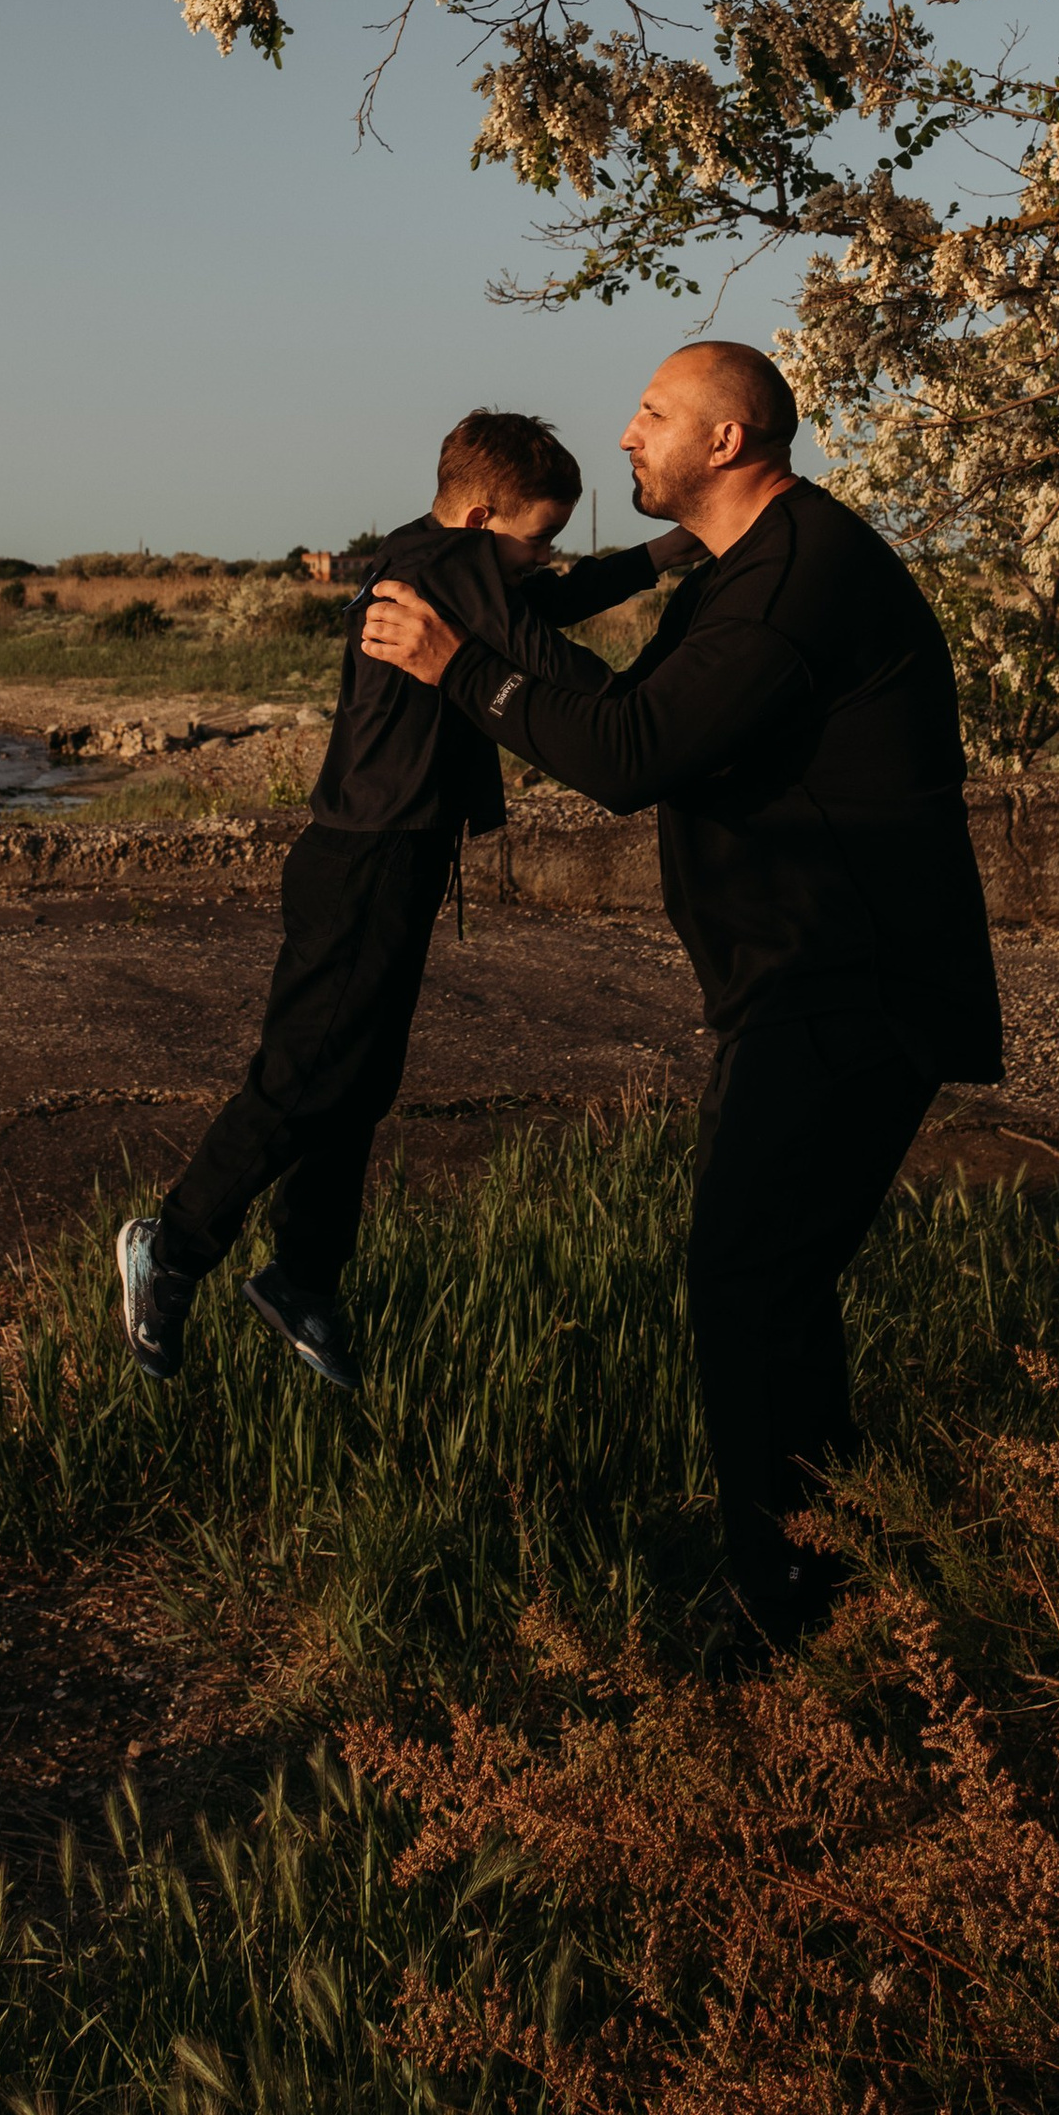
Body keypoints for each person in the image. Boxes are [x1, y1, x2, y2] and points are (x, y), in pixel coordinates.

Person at [360, 341, 1001, 1653]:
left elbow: (629, 753)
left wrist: (459, 669)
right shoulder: (742, 570)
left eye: (653, 412)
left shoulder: (797, 580)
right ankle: (827, 1573)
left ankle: (784, 1608)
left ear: (726, 439)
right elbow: (625, 707)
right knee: (771, 1283)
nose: (627, 432)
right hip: (802, 976)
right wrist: (500, 636)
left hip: (849, 975)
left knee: (746, 1279)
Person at [117, 409, 691, 1395]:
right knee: (302, 1081)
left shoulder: (444, 557)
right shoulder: (450, 561)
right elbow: (542, 654)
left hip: (391, 857)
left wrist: (660, 556)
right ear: (481, 518)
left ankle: (303, 1276)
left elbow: (546, 602)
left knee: (358, 1083)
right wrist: (638, 708)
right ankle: (168, 1250)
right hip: (366, 861)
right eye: (539, 537)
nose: (547, 556)